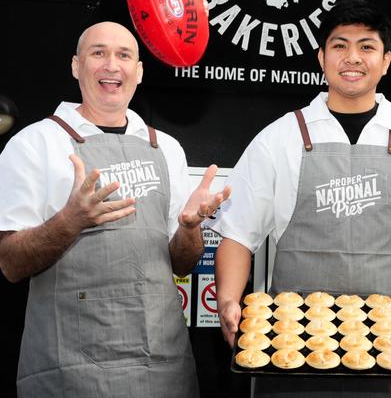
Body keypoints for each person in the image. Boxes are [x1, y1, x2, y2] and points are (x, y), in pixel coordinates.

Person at [210, 0, 391, 398]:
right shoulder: (280, 137)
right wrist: (230, 300)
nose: (352, 58)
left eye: (367, 47)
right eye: (339, 46)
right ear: (321, 57)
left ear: (386, 60)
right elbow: (238, 235)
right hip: (293, 352)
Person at [0, 21, 231, 398]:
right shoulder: (35, 144)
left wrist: (190, 229)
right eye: (98, 53)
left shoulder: (166, 148)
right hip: (70, 372)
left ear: (139, 72)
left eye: (124, 55)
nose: (112, 65)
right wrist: (69, 222)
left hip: (163, 368)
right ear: (76, 66)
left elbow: (183, 264)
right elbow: (9, 263)